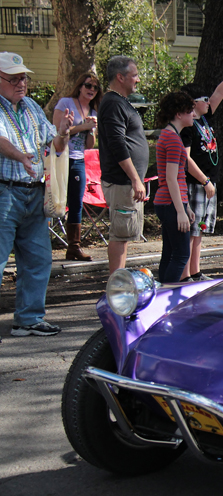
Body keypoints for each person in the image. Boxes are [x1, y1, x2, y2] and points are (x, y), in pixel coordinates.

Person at [0, 52, 73, 337]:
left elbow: (52, 142)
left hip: (33, 193)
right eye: (14, 78)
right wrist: (22, 157)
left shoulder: (30, 106)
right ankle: (27, 317)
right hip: (5, 191)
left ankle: (28, 319)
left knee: (39, 259)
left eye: (23, 78)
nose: (21, 83)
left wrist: (64, 132)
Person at [179, 51, 223, 282]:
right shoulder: (188, 125)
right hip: (196, 183)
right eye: (203, 98)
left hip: (208, 183)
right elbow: (185, 158)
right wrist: (204, 180)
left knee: (199, 229)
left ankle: (195, 271)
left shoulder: (204, 119)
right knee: (191, 231)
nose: (208, 100)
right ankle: (184, 275)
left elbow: (220, 92)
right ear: (192, 103)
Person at [97, 56, 148, 274]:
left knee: (125, 235)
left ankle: (119, 282)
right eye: (134, 75)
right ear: (120, 77)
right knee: (120, 234)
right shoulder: (112, 103)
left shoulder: (120, 102)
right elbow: (117, 145)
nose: (137, 79)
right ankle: (115, 287)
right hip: (121, 181)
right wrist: (135, 179)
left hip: (127, 182)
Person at [53, 72, 102, 261]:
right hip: (60, 158)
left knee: (76, 203)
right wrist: (81, 127)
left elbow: (89, 145)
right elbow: (57, 131)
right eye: (88, 86)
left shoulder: (93, 111)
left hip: (78, 159)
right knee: (54, 200)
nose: (91, 90)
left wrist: (91, 129)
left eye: (95, 88)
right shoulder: (65, 103)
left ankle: (74, 247)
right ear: (80, 86)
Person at [152, 92, 195, 282]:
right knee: (181, 255)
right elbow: (171, 179)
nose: (194, 115)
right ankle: (166, 297)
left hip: (169, 202)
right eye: (190, 111)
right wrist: (180, 211)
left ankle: (161, 294)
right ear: (179, 114)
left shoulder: (168, 135)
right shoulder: (173, 140)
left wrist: (186, 206)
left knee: (169, 253)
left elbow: (176, 178)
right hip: (170, 203)